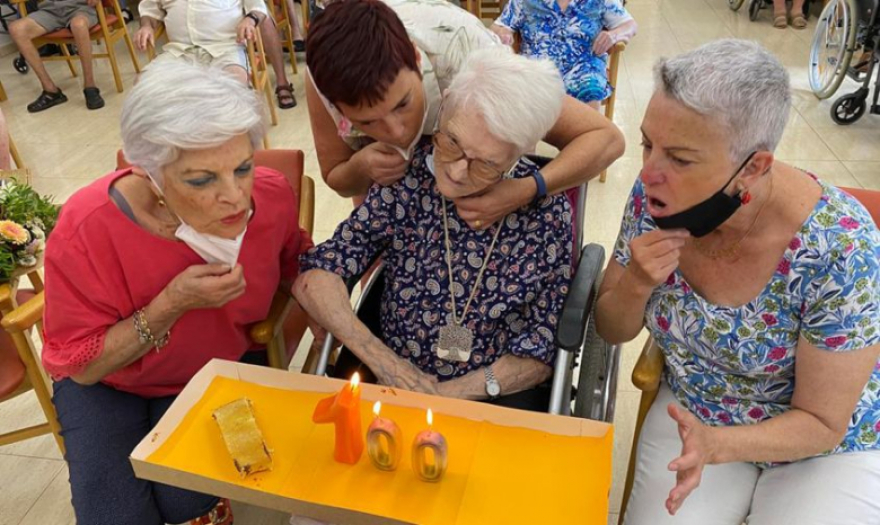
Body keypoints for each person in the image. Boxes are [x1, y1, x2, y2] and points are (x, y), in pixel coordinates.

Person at [594, 39, 880, 524]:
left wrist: (721, 445)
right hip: (696, 409)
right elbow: (611, 328)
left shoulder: (839, 245)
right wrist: (637, 282)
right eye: (647, 143)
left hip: (821, 445)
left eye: (679, 159)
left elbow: (825, 422)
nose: (648, 173)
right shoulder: (653, 204)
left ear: (753, 167)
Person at [42, 61, 313, 525]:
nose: (235, 197)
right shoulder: (86, 229)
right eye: (201, 179)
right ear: (147, 171)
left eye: (243, 167)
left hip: (207, 374)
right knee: (117, 516)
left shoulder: (270, 197)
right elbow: (82, 367)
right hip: (108, 383)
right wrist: (171, 304)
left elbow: (299, 268)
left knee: (186, 502)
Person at [295, 48, 573, 411]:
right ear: (442, 115)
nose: (457, 172)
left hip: (495, 395)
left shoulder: (547, 215)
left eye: (486, 165)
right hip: (390, 378)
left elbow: (543, 341)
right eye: (452, 143)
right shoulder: (408, 179)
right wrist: (388, 366)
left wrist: (447, 397)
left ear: (518, 153)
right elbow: (317, 274)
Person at [305, 0, 624, 229]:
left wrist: (526, 188)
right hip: (396, 218)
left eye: (402, 104)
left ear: (418, 59)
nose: (397, 133)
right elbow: (338, 178)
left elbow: (605, 139)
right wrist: (360, 167)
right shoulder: (324, 76)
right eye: (367, 123)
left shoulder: (465, 50)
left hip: (493, 210)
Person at [135, 0, 297, 105]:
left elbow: (257, 7)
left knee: (234, 84)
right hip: (179, 51)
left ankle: (237, 149)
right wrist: (146, 26)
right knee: (143, 84)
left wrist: (250, 19)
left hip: (225, 47)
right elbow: (149, 10)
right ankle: (170, 148)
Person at [491, 0, 637, 109]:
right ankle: (528, 150)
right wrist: (503, 31)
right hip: (537, 68)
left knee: (590, 90)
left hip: (583, 66)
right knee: (525, 92)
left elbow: (630, 25)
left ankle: (585, 146)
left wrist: (614, 35)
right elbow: (500, 24)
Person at [9, 0, 105, 112]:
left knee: (78, 25)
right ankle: (51, 91)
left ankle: (90, 87)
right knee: (16, 29)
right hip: (49, 10)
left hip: (80, 7)